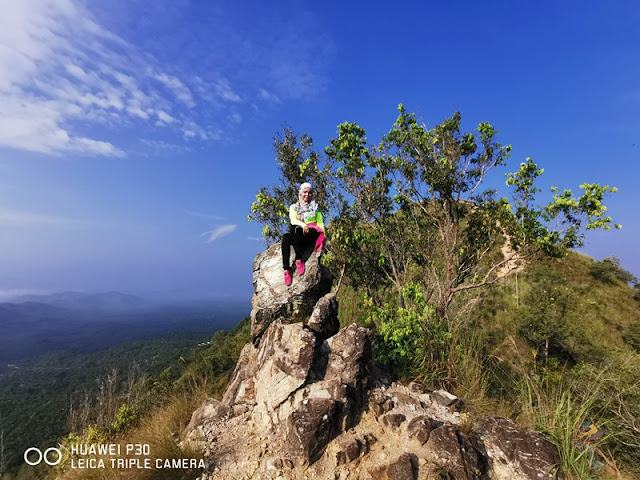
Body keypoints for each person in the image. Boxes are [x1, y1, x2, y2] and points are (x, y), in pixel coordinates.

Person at [282, 182, 325, 286]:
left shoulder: (316, 208)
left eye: (309, 193)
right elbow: (293, 220)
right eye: (305, 192)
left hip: (312, 233)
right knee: (286, 237)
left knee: (296, 229)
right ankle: (287, 269)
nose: (307, 195)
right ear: (300, 193)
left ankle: (299, 258)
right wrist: (303, 225)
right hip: (299, 232)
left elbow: (320, 223)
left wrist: (323, 236)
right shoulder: (294, 207)